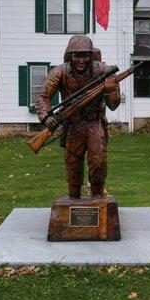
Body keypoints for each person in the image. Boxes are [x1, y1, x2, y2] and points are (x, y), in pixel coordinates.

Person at [35, 35, 121, 199]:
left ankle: (98, 200)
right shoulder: (60, 72)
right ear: (70, 55)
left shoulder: (104, 70)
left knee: (98, 162)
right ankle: (73, 200)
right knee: (73, 165)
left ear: (91, 55)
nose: (81, 60)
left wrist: (110, 90)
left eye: (85, 55)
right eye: (77, 55)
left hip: (95, 123)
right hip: (73, 125)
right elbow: (43, 96)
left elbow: (113, 105)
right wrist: (46, 117)